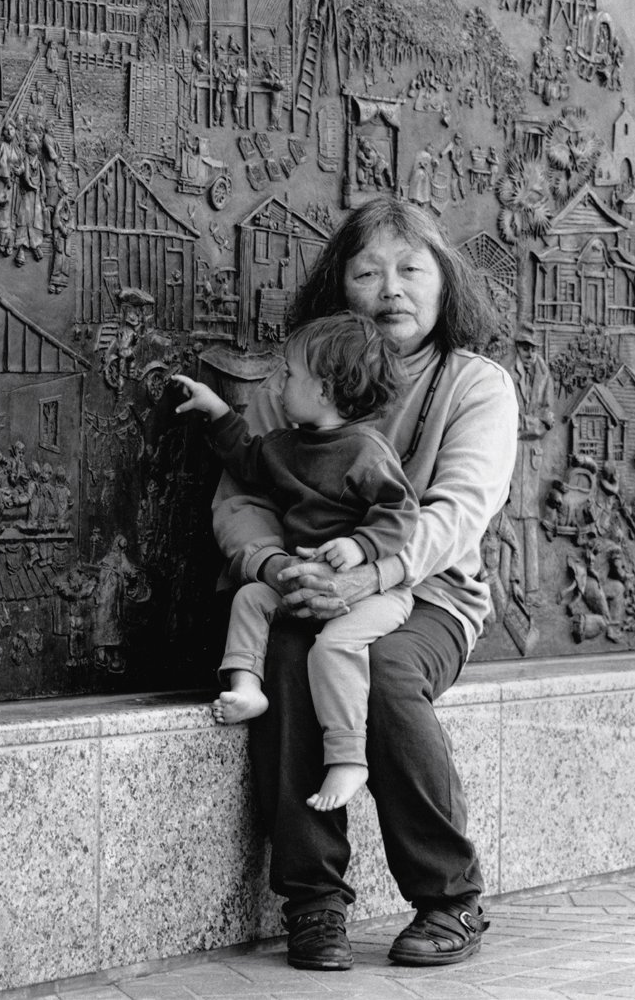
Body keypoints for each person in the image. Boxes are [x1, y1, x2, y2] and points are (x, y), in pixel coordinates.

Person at [213, 197, 517, 971]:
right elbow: (243, 501)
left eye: (411, 269)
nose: (392, 289)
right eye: (368, 271)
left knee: (380, 670)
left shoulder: (476, 385)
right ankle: (313, 905)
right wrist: (277, 567)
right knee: (285, 662)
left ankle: (450, 899)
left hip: (433, 596)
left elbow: (457, 513)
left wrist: (373, 573)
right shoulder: (293, 379)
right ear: (338, 286)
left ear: (444, 283)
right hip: (306, 584)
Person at [174, 312, 418, 812]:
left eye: (288, 374)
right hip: (302, 584)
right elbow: (247, 458)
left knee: (333, 650)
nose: (278, 383)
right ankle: (246, 687)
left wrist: (360, 549)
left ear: (325, 391)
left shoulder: (366, 452)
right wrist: (217, 409)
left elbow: (402, 515)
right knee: (250, 598)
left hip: (373, 594)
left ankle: (349, 759)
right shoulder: (288, 445)